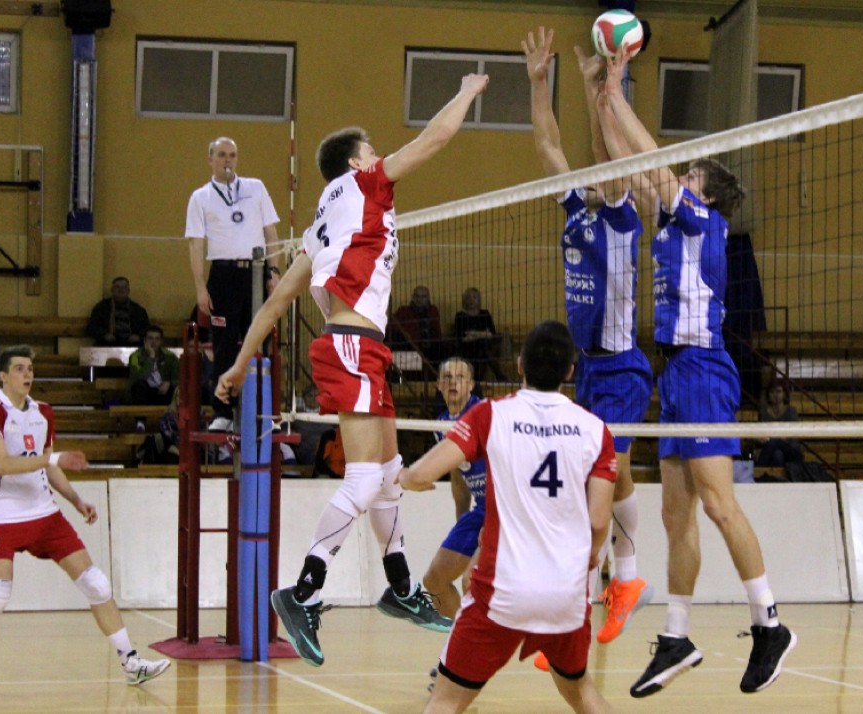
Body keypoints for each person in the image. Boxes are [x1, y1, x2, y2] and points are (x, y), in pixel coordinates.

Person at [215, 71, 490, 668]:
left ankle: (401, 587)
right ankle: (302, 592)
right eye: (371, 149)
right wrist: (467, 91)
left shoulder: (320, 226)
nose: (378, 155)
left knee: (388, 474)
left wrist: (237, 364)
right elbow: (435, 140)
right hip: (350, 345)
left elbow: (276, 302)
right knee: (365, 480)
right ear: (355, 162)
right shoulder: (365, 183)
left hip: (360, 347)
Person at [600, 47, 796, 697]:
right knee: (674, 514)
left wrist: (618, 90)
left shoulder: (703, 220)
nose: (678, 178)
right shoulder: (672, 226)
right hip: (676, 373)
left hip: (706, 368)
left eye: (689, 175)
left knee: (717, 503)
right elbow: (629, 164)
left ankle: (769, 623)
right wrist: (603, 102)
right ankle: (677, 636)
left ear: (703, 194)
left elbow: (652, 159)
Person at [400, 320, 617, 714]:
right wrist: (590, 556)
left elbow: (421, 474)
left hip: (503, 593)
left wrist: (404, 478)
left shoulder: (490, 415)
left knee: (445, 702)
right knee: (583, 694)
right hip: (566, 596)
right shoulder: (596, 430)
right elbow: (599, 521)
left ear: (519, 365)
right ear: (570, 371)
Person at [525, 27, 652, 651]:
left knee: (607, 475)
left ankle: (622, 580)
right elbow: (547, 141)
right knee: (594, 482)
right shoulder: (576, 204)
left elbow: (612, 152)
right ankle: (587, 597)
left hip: (624, 366)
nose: (598, 173)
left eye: (607, 171)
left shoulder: (624, 215)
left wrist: (607, 88)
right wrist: (541, 81)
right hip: (588, 371)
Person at [0, 344, 170, 693]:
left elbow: (49, 467)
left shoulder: (43, 412)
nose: (27, 374)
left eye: (30, 368)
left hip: (44, 513)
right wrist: (55, 458)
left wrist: (76, 500)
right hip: (3, 514)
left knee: (97, 584)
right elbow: (3, 464)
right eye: (19, 369)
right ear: (3, 376)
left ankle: (131, 663)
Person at [186, 136, 282, 432]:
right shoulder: (201, 197)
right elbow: (195, 243)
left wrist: (275, 272)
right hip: (223, 277)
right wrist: (200, 287)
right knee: (224, 345)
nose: (227, 160)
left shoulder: (256, 188)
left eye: (232, 155)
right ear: (210, 159)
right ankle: (223, 412)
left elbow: (271, 232)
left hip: (255, 273)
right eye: (221, 155)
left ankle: (261, 412)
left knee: (260, 342)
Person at [421, 357, 486, 692]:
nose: (452, 382)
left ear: (471, 385)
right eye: (446, 376)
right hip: (479, 510)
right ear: (438, 385)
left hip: (504, 508)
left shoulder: (483, 414)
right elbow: (458, 475)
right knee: (434, 579)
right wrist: (462, 520)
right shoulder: (441, 424)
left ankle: (457, 663)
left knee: (470, 581)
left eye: (460, 376)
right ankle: (462, 651)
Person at [453, 287, 507, 382]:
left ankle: (477, 381)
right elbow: (462, 338)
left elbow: (492, 334)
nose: (472, 300)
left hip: (484, 348)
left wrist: (473, 334)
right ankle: (499, 376)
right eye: (469, 297)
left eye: (474, 297)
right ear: (464, 300)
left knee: (482, 347)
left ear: (479, 299)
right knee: (483, 347)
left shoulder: (485, 314)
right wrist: (483, 334)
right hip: (467, 348)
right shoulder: (460, 316)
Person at [392, 285, 448, 369]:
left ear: (428, 298)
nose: (420, 299)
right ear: (413, 297)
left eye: (423, 296)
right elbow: (393, 326)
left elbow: (436, 331)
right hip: (410, 346)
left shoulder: (433, 310)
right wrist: (405, 335)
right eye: (417, 296)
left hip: (430, 347)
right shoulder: (403, 311)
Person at [85, 276, 151, 347]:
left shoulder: (138, 310)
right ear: (112, 290)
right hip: (107, 344)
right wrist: (104, 335)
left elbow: (147, 328)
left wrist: (138, 336)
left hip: (132, 344)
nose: (120, 290)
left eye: (124, 287)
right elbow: (92, 327)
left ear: (128, 290)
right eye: (117, 287)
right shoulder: (102, 308)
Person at [126, 324, 179, 407]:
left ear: (161, 341)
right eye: (150, 338)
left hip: (163, 392)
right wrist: (151, 357)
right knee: (140, 386)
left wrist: (169, 383)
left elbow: (179, 377)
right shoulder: (135, 356)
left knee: (174, 389)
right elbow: (139, 377)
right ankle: (140, 415)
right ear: (144, 340)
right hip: (145, 392)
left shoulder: (170, 356)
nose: (154, 342)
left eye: (157, 339)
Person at [755, 379, 803, 467]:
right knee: (777, 455)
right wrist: (761, 438)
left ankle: (758, 468)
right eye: (772, 392)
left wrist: (773, 437)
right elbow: (761, 434)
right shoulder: (764, 412)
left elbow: (792, 435)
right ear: (768, 395)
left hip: (791, 449)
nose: (775, 395)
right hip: (772, 448)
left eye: (779, 391)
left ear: (784, 394)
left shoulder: (791, 411)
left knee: (774, 441)